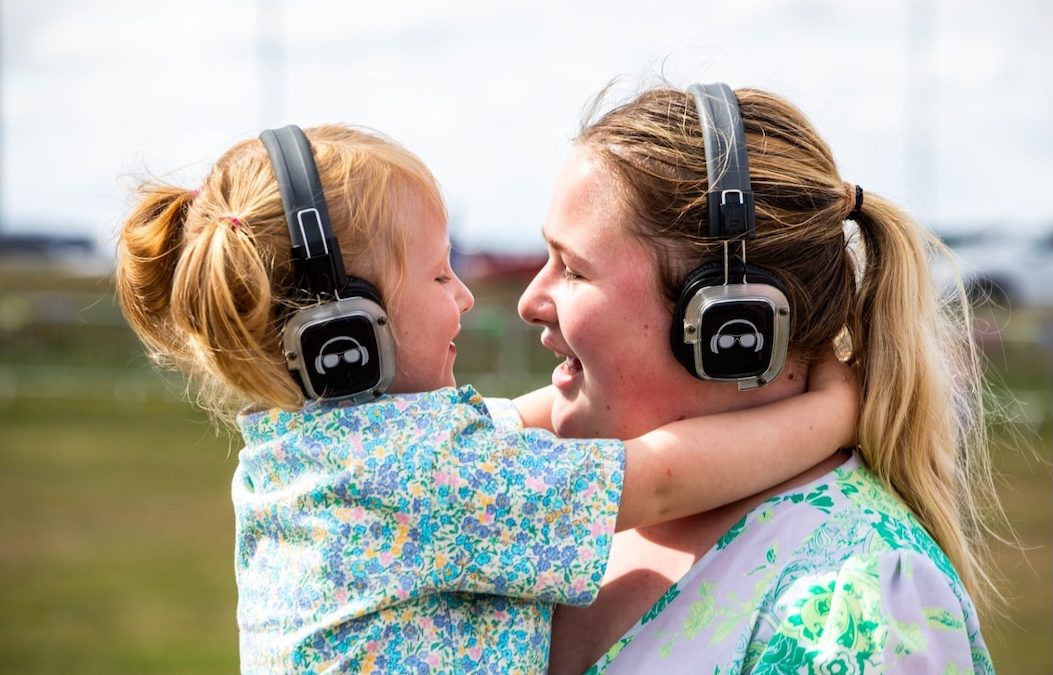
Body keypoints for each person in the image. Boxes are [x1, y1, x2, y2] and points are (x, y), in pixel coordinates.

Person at [114, 123, 857, 673]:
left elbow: (513, 421)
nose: (466, 296)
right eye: (439, 277)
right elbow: (658, 477)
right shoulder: (425, 476)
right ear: (341, 336)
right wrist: (831, 411)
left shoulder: (321, 452)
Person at [517, 82, 999, 673]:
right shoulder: (565, 505)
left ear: (729, 323)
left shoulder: (857, 607)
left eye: (572, 269)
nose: (530, 300)